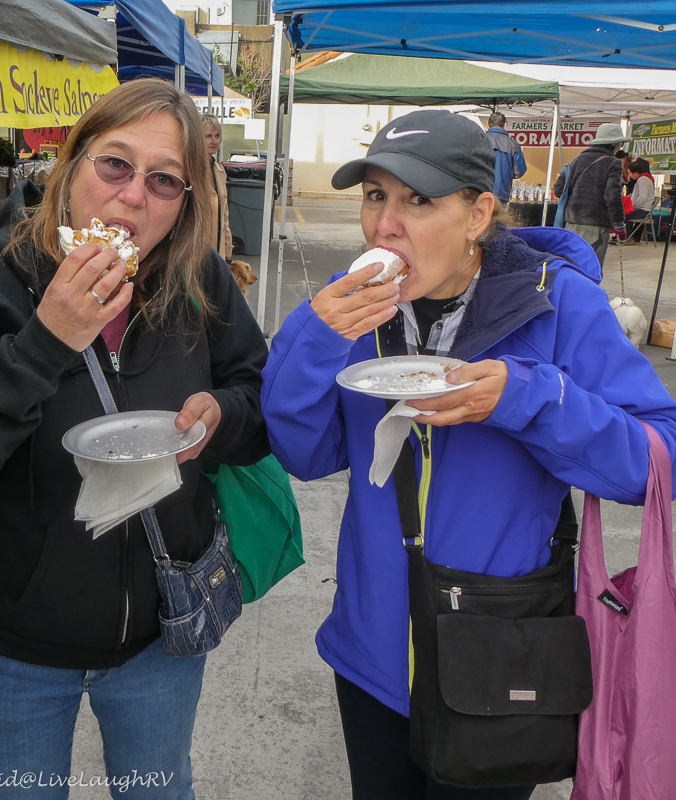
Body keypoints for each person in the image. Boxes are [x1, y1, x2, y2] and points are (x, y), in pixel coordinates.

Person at [260, 109, 676, 800]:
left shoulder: (558, 304)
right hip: (372, 652)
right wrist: (312, 336)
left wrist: (528, 399)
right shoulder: (356, 312)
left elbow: (657, 458)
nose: (384, 225)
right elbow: (304, 454)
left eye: (416, 201)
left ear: (478, 213)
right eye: (374, 197)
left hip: (500, 650)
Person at [0, 78, 269, 799]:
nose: (132, 196)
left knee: (158, 788)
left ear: (184, 203)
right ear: (71, 164)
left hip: (160, 629)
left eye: (164, 180)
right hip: (12, 637)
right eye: (114, 164)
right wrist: (45, 341)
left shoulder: (200, 281)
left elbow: (257, 400)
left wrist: (220, 418)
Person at [553, 122, 629, 266]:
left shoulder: (576, 160)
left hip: (571, 225)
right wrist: (619, 226)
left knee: (571, 268)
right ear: (615, 145)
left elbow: (558, 190)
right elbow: (613, 197)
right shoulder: (613, 163)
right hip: (596, 228)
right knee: (591, 271)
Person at [202, 113, 233, 262]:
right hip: (196, 250)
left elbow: (224, 214)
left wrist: (227, 250)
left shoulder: (219, 170)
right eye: (208, 136)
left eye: (217, 136)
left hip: (216, 252)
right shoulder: (189, 169)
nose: (214, 141)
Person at [484, 111, 526, 204]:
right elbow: (519, 171)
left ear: (488, 125)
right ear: (505, 125)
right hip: (502, 193)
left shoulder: (480, 139)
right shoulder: (513, 144)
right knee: (499, 217)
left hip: (481, 191)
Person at [624, 157, 657, 244]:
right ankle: (633, 237)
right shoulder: (644, 179)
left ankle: (627, 238)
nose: (629, 175)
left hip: (644, 210)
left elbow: (643, 197)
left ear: (636, 173)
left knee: (623, 215)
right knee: (626, 213)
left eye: (630, 173)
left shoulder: (643, 180)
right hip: (643, 208)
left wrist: (634, 206)